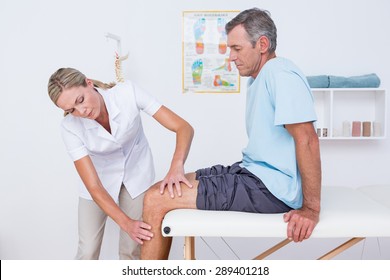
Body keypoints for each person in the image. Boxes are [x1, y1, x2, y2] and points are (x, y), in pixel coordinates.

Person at [140, 7, 321, 260]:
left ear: (262, 44)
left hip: (270, 188)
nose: (231, 58)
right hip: (253, 173)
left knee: (156, 199)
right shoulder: (259, 78)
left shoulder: (281, 74)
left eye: (237, 49)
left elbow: (308, 139)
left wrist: (311, 208)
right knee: (166, 186)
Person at [47, 68, 194, 259]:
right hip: (99, 183)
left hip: (136, 174)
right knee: (88, 250)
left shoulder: (127, 93)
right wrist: (126, 223)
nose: (81, 111)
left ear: (89, 83)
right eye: (71, 110)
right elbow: (94, 186)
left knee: (132, 248)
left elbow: (183, 127)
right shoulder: (69, 127)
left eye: (80, 100)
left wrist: (176, 166)